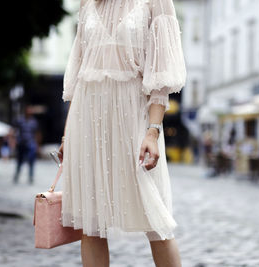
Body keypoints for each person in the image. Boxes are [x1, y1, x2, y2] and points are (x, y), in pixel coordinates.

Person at [58, 0, 187, 265]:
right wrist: (66, 134)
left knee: (157, 221)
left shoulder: (156, 2)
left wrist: (152, 132)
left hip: (134, 120)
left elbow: (160, 82)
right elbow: (80, 76)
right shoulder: (86, 4)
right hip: (87, 121)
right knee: (91, 225)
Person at [12, 106, 39, 184]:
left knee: (31, 161)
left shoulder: (34, 122)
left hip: (30, 143)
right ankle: (17, 176)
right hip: (21, 143)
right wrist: (13, 140)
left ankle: (30, 177)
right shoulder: (20, 120)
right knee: (19, 161)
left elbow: (37, 133)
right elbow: (14, 130)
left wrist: (37, 145)